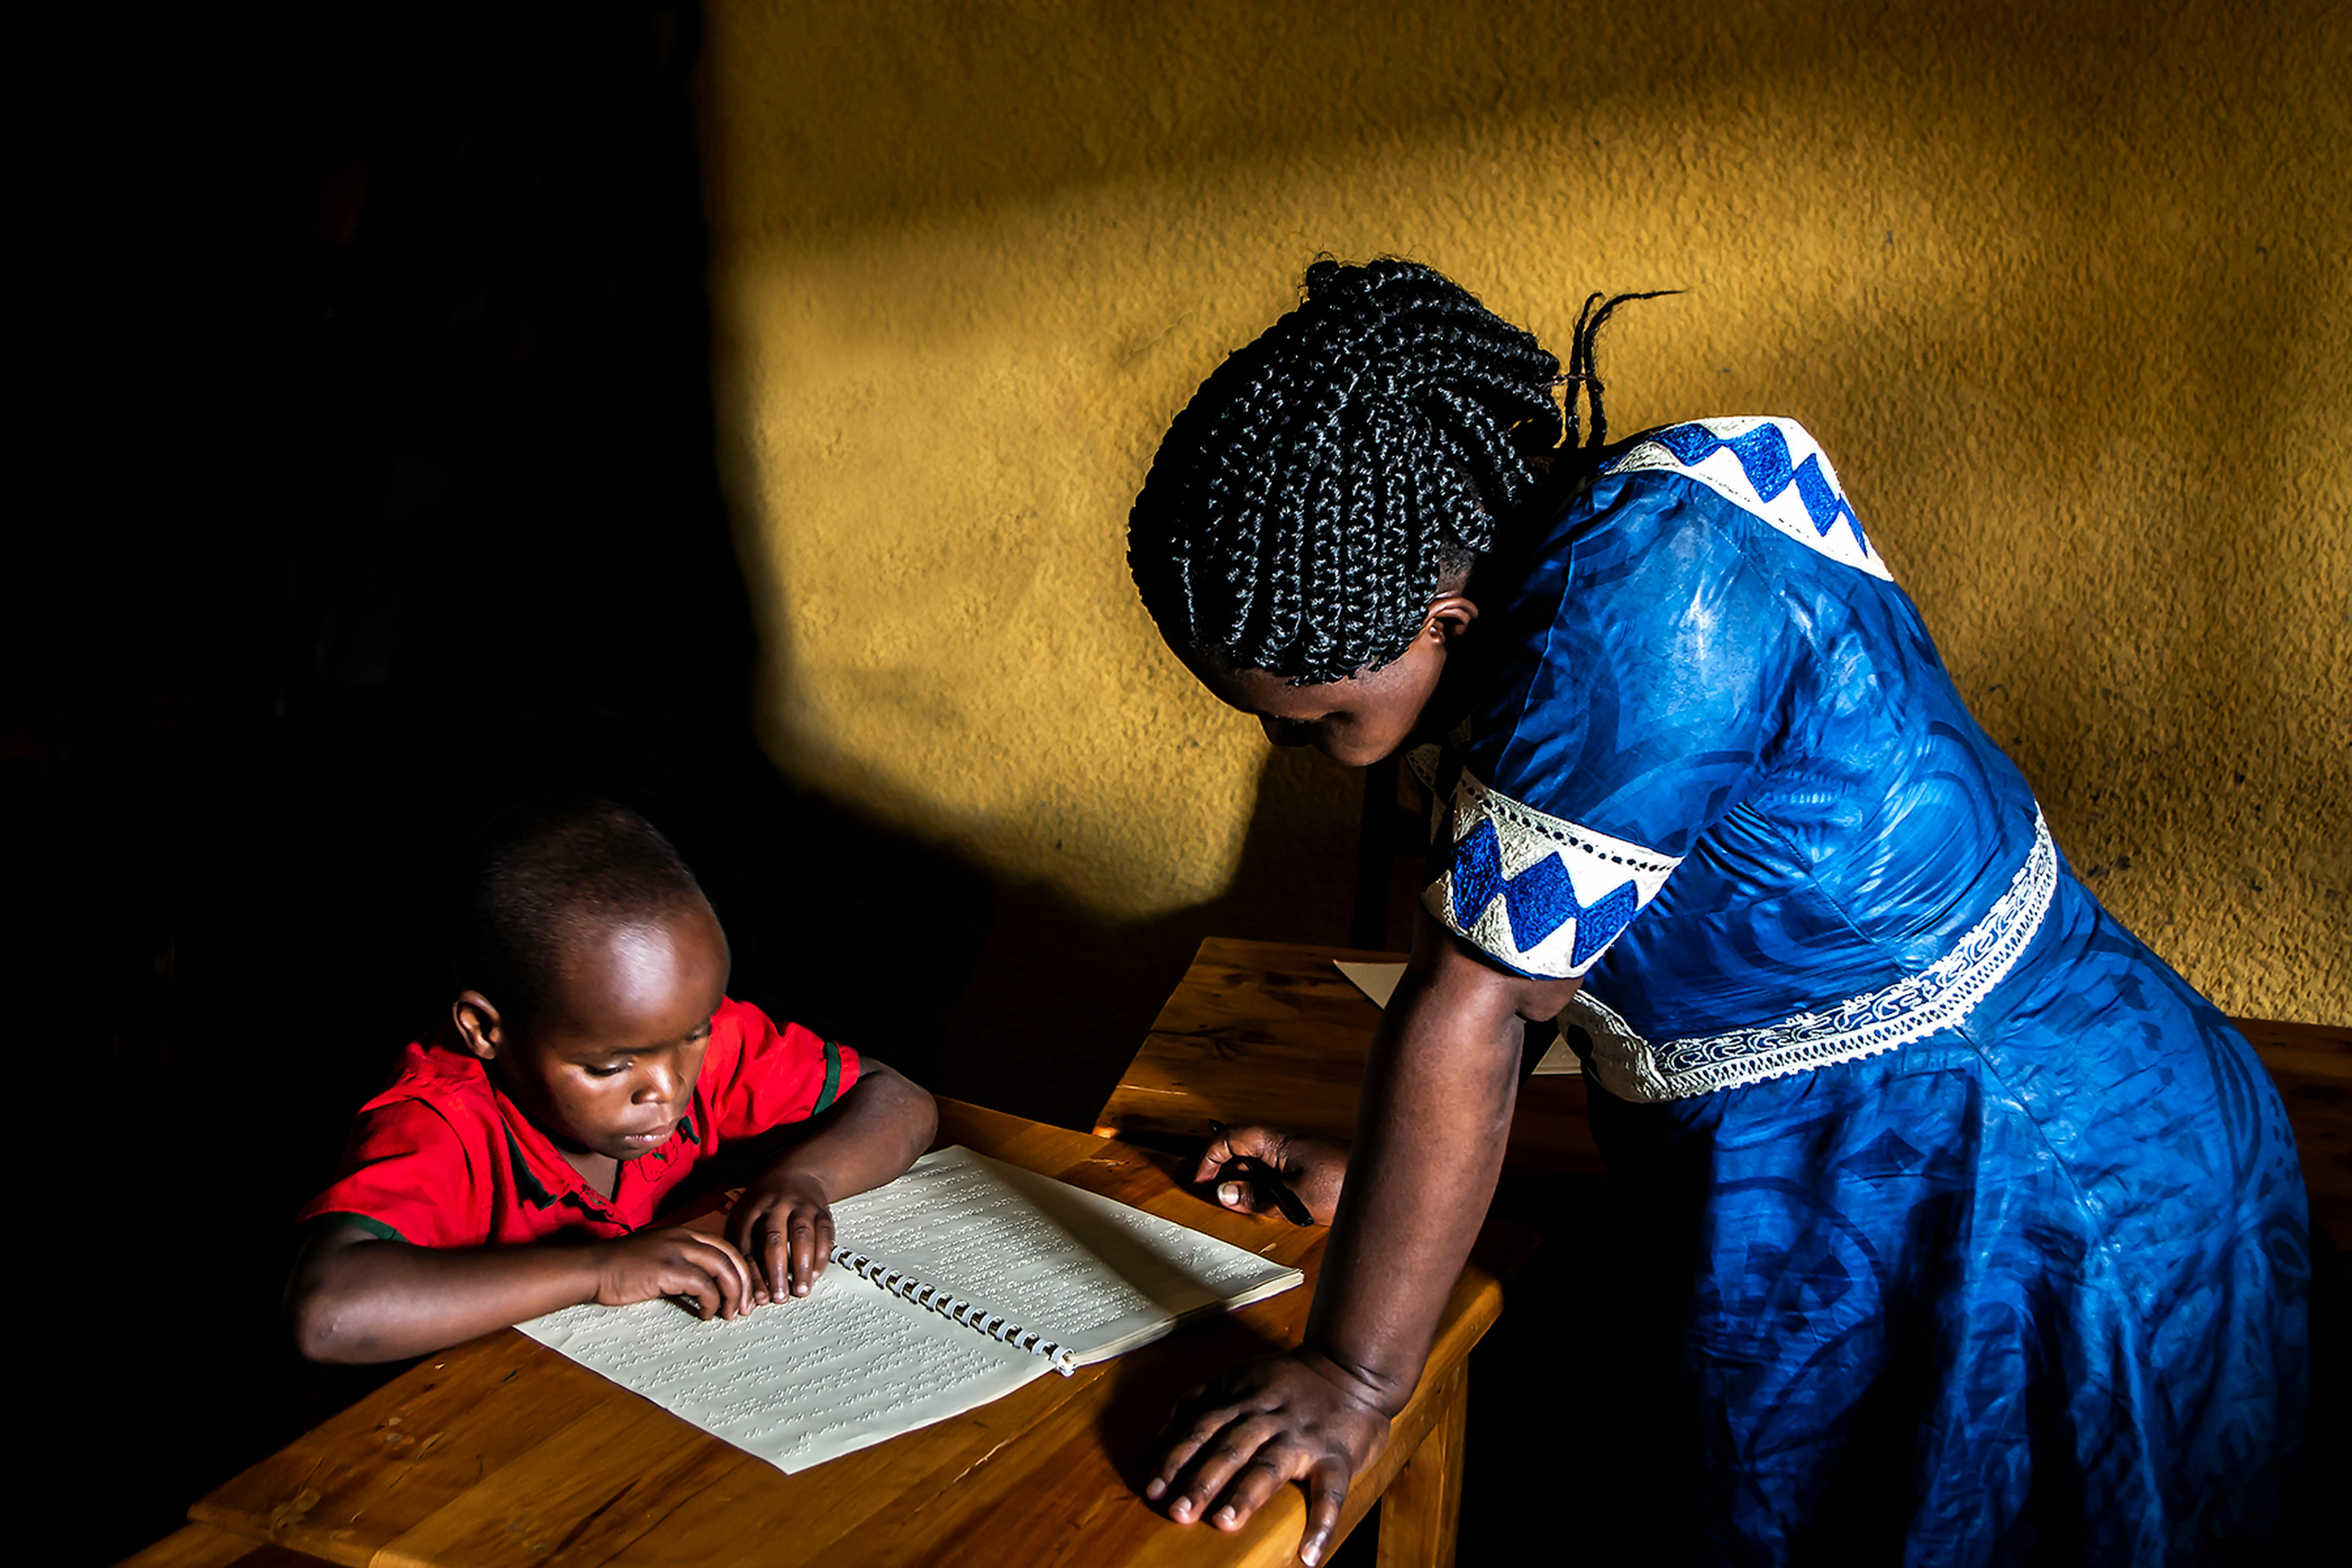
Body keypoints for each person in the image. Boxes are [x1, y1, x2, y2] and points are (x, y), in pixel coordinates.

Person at [1124, 259, 2310, 1565]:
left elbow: (1481, 1009)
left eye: (1317, 721)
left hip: (2012, 1194)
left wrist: (1354, 1374)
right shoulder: (1675, 498)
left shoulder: (1648, 613)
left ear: (1444, 622)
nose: (1309, 753)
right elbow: (1664, 997)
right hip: (1977, 1141)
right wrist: (1399, 1199)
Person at [285, 797, 937, 1363]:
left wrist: (805, 1178)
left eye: (695, 1034)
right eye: (609, 1068)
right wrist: (600, 1271)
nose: (668, 1089)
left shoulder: (682, 1037)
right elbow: (330, 1315)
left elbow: (901, 1102)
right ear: (487, 1031)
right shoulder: (443, 1119)